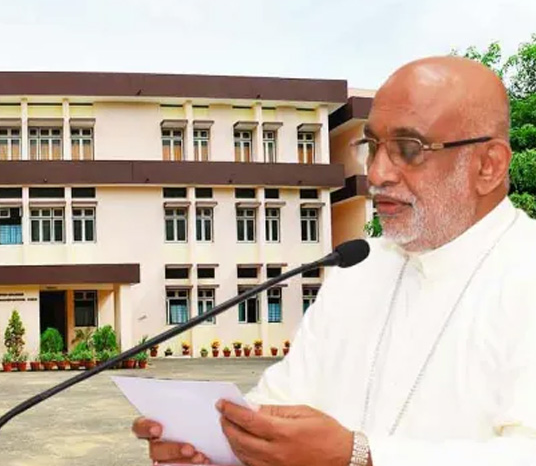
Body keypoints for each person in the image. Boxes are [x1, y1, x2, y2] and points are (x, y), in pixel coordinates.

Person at [132, 56, 536, 465]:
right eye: (373, 147)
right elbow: (281, 403)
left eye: (409, 150)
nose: (377, 173)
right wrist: (220, 446)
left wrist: (361, 457)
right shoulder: (358, 269)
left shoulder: (525, 270)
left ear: (488, 166)